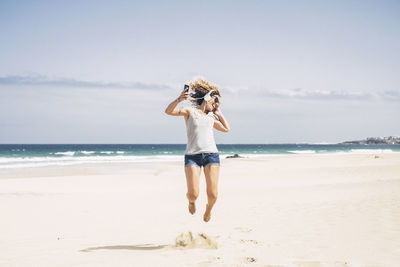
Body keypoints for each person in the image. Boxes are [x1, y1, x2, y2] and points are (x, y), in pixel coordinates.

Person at [165, 78, 230, 222]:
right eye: (215, 101)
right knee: (193, 194)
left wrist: (218, 113)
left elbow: (226, 129)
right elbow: (168, 111)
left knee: (213, 195)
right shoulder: (190, 112)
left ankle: (208, 209)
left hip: (212, 155)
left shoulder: (211, 117)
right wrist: (179, 99)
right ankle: (192, 202)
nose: (216, 104)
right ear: (207, 98)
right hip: (192, 156)